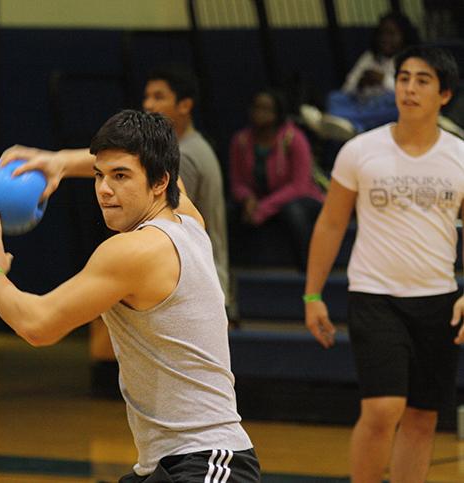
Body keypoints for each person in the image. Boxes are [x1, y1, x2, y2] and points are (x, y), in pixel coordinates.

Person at [0, 110, 260, 482]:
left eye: (120, 177)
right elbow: (141, 164)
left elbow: (38, 325)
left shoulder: (133, 251)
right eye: (99, 176)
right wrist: (58, 162)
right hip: (167, 464)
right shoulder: (185, 216)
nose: (104, 189)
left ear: (159, 182)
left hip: (208, 462)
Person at [304, 46, 463, 482]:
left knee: (421, 418)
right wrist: (313, 294)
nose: (409, 88)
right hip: (375, 297)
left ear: (444, 95)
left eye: (423, 80)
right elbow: (331, 223)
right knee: (382, 408)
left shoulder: (459, 157)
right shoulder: (360, 151)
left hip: (438, 301)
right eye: (404, 77)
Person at [143, 64, 232, 314]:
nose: (148, 104)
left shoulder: (185, 156)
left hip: (195, 287)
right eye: (147, 96)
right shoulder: (189, 148)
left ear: (185, 105)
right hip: (201, 284)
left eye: (159, 97)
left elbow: (171, 225)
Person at [229, 89, 324, 272]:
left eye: (266, 109)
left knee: (293, 211)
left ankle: (309, 267)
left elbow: (300, 186)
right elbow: (237, 183)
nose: (259, 113)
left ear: (278, 113)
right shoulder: (240, 141)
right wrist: (248, 198)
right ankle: (236, 268)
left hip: (301, 200)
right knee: (230, 209)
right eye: (256, 107)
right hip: (259, 199)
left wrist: (263, 208)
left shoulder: (294, 138)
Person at [301, 12, 420, 141]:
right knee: (334, 97)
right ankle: (345, 124)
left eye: (391, 34)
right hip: (362, 103)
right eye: (381, 34)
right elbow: (346, 89)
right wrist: (359, 84)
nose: (385, 39)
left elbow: (414, 92)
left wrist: (383, 80)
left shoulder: (411, 60)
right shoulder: (369, 57)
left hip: (387, 106)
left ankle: (344, 124)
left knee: (400, 107)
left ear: (404, 36)